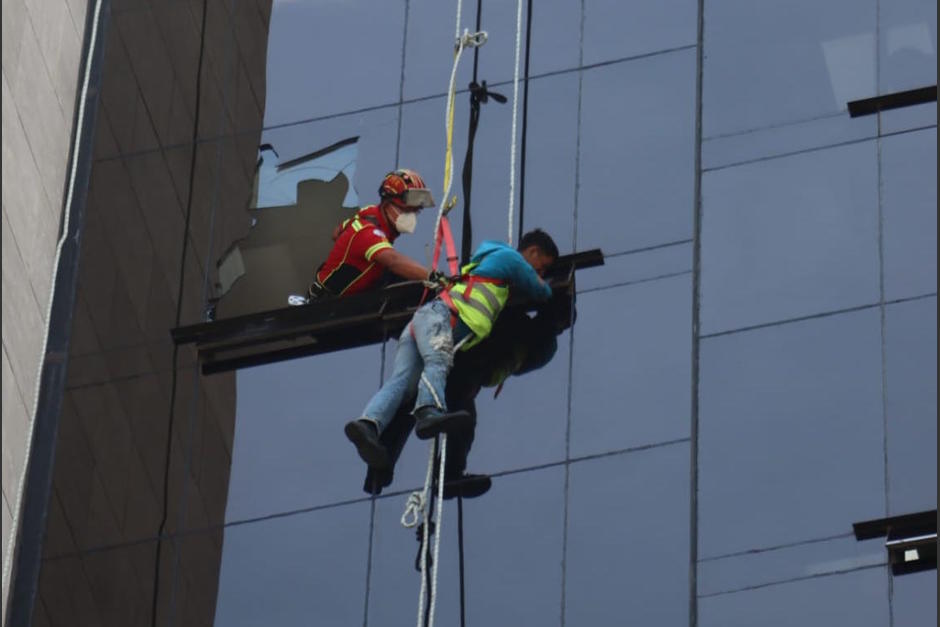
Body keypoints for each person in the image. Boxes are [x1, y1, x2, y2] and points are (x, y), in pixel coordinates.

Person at [344, 228, 559, 468]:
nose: (541, 272)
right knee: (439, 361)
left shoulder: (490, 264)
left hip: (424, 320)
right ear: (533, 251)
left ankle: (368, 424)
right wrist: (552, 286)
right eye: (542, 266)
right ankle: (428, 412)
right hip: (441, 319)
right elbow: (540, 290)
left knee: (403, 381)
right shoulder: (509, 258)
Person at [307, 169, 440, 299]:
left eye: (416, 211)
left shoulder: (371, 215)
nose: (412, 217)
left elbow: (336, 232)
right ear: (387, 204)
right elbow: (393, 261)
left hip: (353, 303)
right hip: (325, 306)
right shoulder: (367, 231)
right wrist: (435, 278)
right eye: (407, 210)